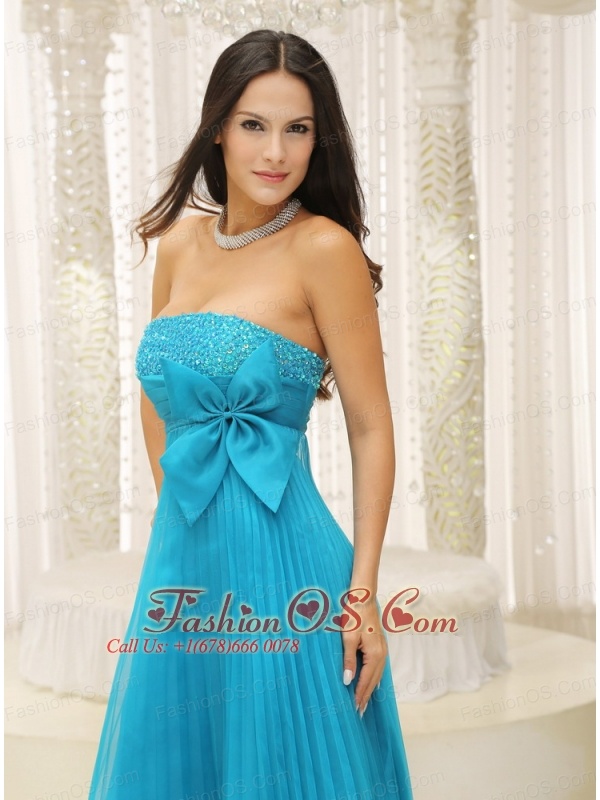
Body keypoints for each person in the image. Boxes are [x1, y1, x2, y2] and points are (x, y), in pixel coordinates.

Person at [88, 28, 414, 800]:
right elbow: (158, 394)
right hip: (185, 559)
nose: (276, 151)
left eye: (298, 129)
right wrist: (179, 521)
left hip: (288, 566)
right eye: (254, 125)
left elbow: (371, 427)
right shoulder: (179, 245)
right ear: (218, 129)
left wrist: (362, 595)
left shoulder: (324, 249)